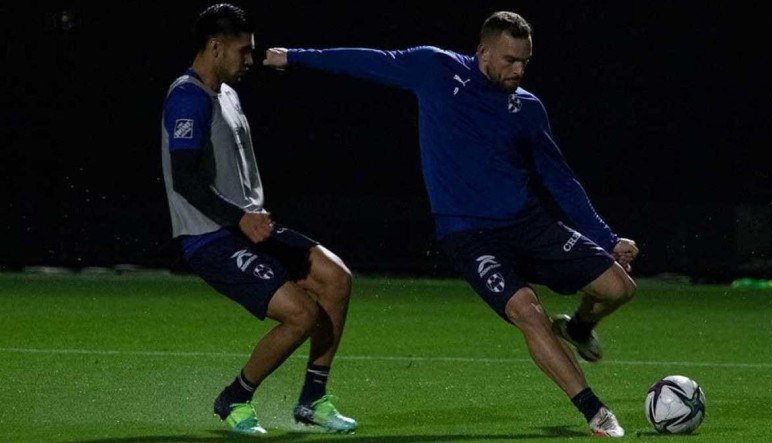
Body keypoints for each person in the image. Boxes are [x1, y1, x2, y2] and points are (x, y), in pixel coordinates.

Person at [263, 10, 639, 437]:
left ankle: (578, 327)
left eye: (525, 62)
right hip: (471, 235)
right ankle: (595, 412)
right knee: (527, 312)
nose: (519, 69)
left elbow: (561, 179)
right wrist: (295, 57)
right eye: (510, 60)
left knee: (619, 288)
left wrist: (607, 239)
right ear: (482, 51)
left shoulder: (527, 108)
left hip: (528, 223)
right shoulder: (436, 69)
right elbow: (370, 62)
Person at [160, 3, 356, 435]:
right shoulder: (188, 97)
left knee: (336, 280)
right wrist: (239, 218)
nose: (250, 60)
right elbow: (185, 179)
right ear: (215, 47)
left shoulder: (227, 92)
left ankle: (312, 401)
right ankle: (236, 397)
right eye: (243, 51)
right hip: (210, 236)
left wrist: (250, 216)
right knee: (302, 315)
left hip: (248, 227)